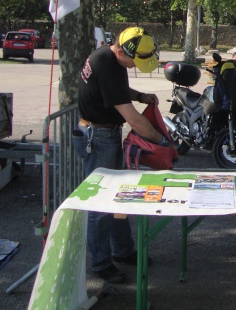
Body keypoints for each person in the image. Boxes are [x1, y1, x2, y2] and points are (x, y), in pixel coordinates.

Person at [75, 27, 164, 284]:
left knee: (116, 197)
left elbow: (117, 90)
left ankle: (123, 251)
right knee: (100, 204)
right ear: (123, 50)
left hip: (105, 133)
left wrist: (139, 95)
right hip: (97, 137)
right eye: (134, 61)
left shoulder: (111, 59)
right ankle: (101, 263)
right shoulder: (104, 63)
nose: (135, 67)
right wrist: (163, 142)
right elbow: (134, 120)